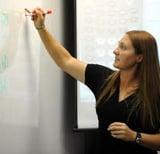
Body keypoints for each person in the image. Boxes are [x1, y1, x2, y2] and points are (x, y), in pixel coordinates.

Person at [31, 7, 160, 154]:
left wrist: (135, 136)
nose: (115, 51)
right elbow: (65, 61)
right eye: (118, 45)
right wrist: (41, 27)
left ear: (140, 57)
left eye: (123, 48)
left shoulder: (155, 92)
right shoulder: (103, 78)